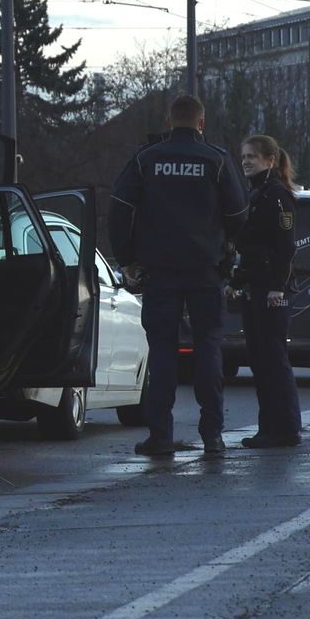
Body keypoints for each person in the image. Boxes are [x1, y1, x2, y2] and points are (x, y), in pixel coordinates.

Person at [110, 94, 248, 459]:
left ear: (170, 122)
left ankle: (160, 436)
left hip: (160, 272)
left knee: (163, 352)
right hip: (205, 270)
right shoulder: (216, 160)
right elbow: (239, 211)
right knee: (208, 349)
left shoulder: (146, 159)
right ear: (201, 123)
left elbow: (120, 208)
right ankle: (213, 436)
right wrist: (224, 243)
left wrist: (126, 258)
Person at [233, 135, 303, 447]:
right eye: (244, 156)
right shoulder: (257, 194)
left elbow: (285, 246)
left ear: (270, 160)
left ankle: (285, 428)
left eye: (253, 157)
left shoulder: (276, 195)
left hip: (270, 291)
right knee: (260, 360)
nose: (246, 161)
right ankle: (270, 427)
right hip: (255, 286)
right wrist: (237, 281)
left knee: (272, 359)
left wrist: (277, 286)